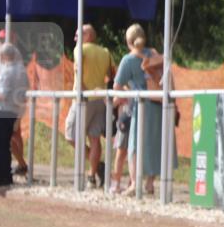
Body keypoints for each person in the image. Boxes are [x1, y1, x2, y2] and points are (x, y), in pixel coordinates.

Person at [113, 24, 163, 196]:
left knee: (134, 145)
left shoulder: (128, 60)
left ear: (128, 41)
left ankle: (135, 183)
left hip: (139, 108)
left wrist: (126, 94)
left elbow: (117, 86)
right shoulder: (154, 54)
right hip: (157, 104)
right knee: (154, 144)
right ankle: (150, 183)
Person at [65, 25, 114, 188]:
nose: (75, 39)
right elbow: (111, 75)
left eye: (78, 35)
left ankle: (98, 167)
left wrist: (84, 92)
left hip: (84, 98)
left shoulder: (79, 50)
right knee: (94, 138)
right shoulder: (105, 52)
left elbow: (78, 73)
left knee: (70, 136)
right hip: (100, 98)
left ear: (88, 36)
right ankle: (92, 175)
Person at [0, 44, 30, 188]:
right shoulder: (22, 71)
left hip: (2, 110)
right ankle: (6, 176)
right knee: (5, 145)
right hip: (14, 111)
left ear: (4, 56)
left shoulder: (6, 72)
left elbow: (2, 94)